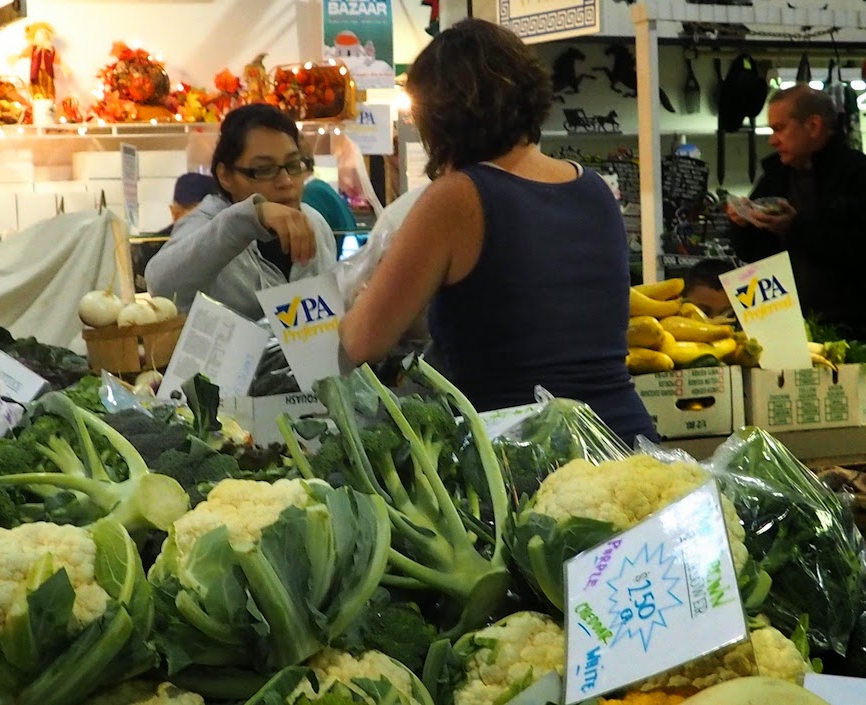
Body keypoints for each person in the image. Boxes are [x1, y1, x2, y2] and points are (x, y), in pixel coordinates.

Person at [338, 18, 656, 446]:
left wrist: (361, 302)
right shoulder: (593, 187)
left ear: (436, 117)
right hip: (626, 439)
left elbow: (362, 342)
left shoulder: (455, 198)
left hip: (527, 457)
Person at [145, 105, 337, 321]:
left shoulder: (314, 222)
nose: (286, 181)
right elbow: (160, 285)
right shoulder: (206, 223)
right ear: (226, 176)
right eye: (264, 170)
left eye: (293, 165)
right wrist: (250, 218)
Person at [727, 84, 866, 339]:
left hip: (854, 332)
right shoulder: (775, 177)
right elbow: (752, 255)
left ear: (813, 126)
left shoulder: (857, 173)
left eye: (779, 129)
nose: (772, 140)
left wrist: (796, 226)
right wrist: (743, 224)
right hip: (785, 329)